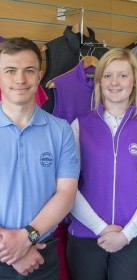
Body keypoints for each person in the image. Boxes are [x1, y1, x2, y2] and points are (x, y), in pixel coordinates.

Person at [66, 48, 137, 280]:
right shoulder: (79, 126)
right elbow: (69, 188)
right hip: (86, 235)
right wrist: (100, 228)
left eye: (123, 75)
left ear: (134, 81)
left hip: (132, 237)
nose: (114, 82)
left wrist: (126, 234)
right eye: (107, 75)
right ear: (99, 81)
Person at [0, 37, 79, 279]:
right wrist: (11, 249)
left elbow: (66, 194)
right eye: (10, 70)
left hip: (41, 254)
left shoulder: (61, 130)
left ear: (40, 75)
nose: (20, 79)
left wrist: (27, 238)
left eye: (29, 70)